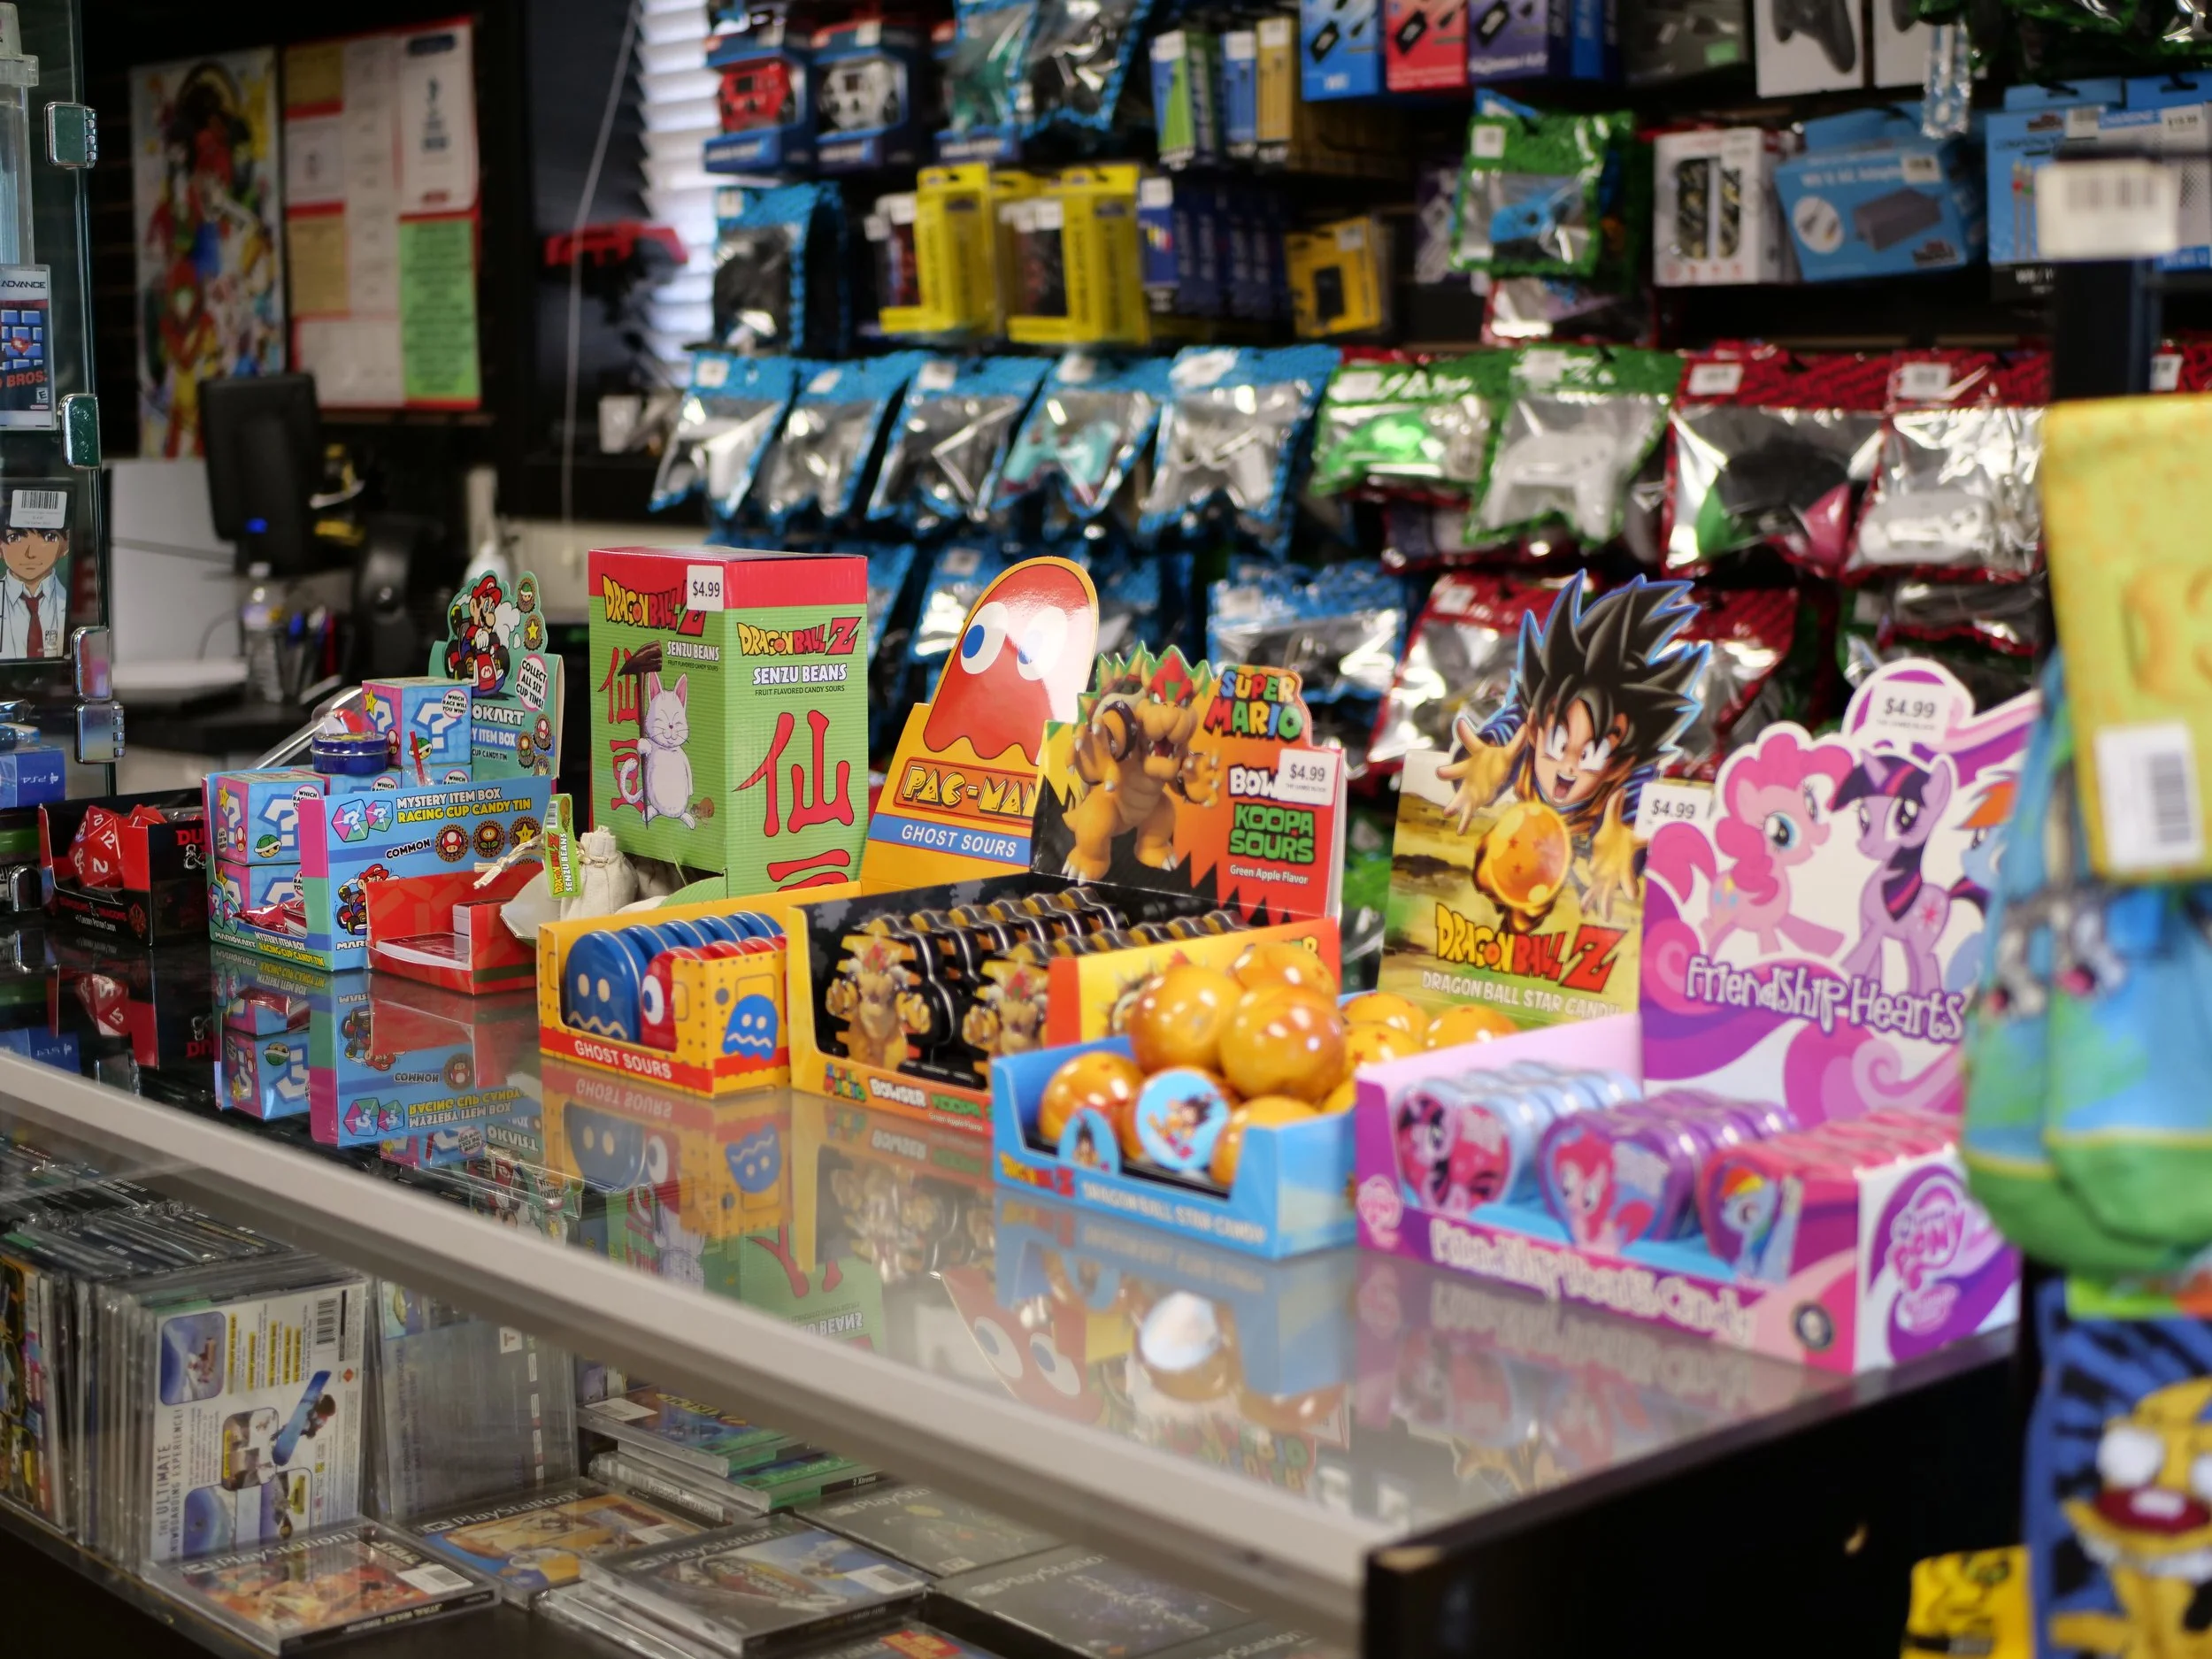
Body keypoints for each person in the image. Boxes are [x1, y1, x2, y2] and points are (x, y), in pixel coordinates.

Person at [0, 519, 67, 658]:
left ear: (65, 545)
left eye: (49, 537)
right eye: (14, 538)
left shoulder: (73, 602)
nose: (30, 553)